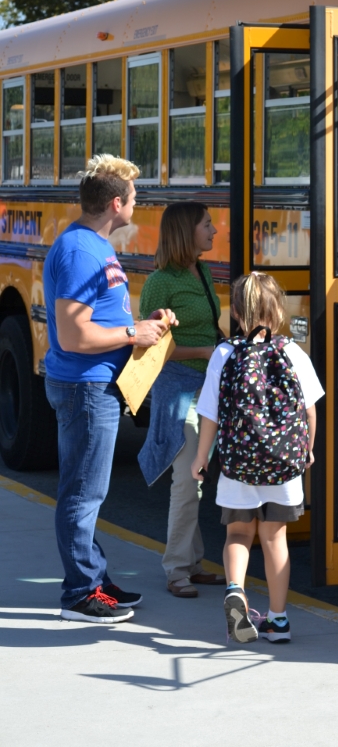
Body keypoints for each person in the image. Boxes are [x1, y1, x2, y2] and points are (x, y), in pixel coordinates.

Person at [44, 154, 177, 623]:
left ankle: (94, 578)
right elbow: (72, 335)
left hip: (96, 386)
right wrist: (131, 335)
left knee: (89, 490)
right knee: (82, 492)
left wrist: (148, 326)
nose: (138, 205)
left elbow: (102, 316)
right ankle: (80, 593)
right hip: (85, 388)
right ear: (116, 203)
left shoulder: (95, 245)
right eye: (135, 198)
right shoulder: (81, 251)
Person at [192, 272, 324, 643]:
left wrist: (201, 459)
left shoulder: (225, 353)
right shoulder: (293, 352)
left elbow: (209, 414)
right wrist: (307, 450)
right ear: (279, 309)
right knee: (274, 539)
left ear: (235, 312)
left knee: (237, 533)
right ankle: (278, 620)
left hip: (238, 466)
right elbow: (310, 410)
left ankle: (236, 590)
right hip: (283, 467)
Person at [138, 202, 226, 597]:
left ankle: (193, 562)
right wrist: (204, 352)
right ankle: (176, 569)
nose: (214, 230)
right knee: (187, 479)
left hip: (205, 389)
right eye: (207, 225)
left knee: (199, 477)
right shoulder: (160, 282)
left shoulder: (203, 271)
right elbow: (152, 348)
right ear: (185, 232)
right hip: (178, 388)